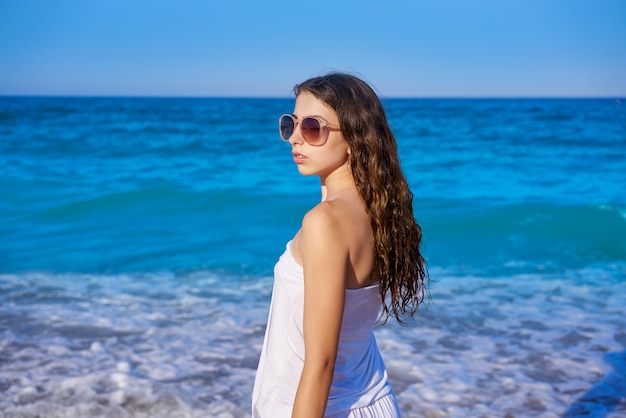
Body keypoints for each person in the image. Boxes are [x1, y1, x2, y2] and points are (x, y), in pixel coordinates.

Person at [252, 72, 428, 417]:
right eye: (291, 124)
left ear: (354, 137)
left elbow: (321, 362)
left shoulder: (325, 223)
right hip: (374, 401)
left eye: (313, 127)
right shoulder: (381, 213)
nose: (295, 139)